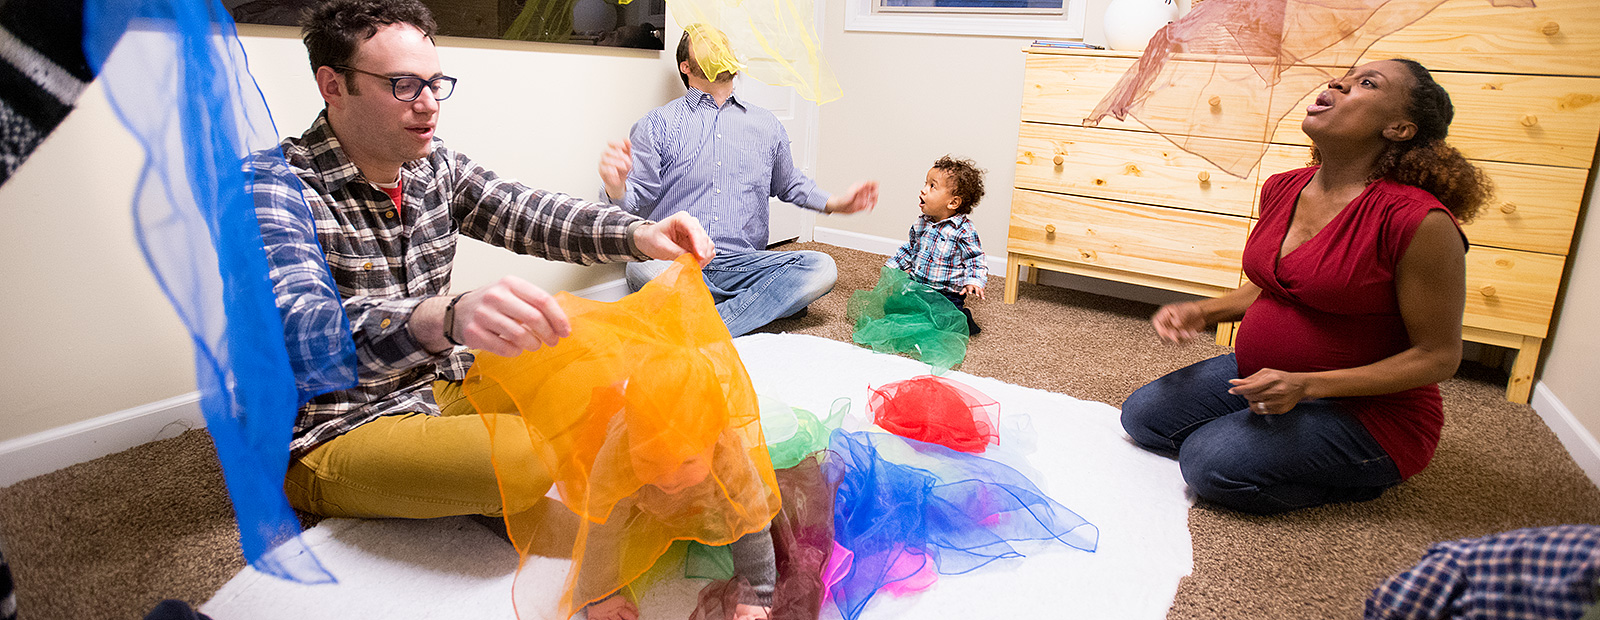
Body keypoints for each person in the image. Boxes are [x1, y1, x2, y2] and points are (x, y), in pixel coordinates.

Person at [253, 0, 712, 534]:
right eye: (403, 85)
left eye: (435, 83)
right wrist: (440, 317)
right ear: (333, 86)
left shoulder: (432, 164)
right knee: (522, 460)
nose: (428, 105)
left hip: (437, 381)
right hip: (331, 424)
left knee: (602, 358)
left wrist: (638, 233)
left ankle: (467, 467)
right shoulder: (271, 185)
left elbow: (525, 212)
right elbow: (301, 338)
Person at [1119, 58, 1491, 514]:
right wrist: (1205, 310)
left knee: (1209, 463)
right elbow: (1280, 285)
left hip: (1371, 412)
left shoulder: (1419, 221)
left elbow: (1438, 356)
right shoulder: (1283, 187)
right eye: (1343, 77)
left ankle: (1359, 477)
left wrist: (1308, 385)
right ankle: (1269, 434)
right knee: (1143, 418)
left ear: (1399, 128)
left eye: (1366, 84)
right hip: (1266, 375)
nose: (1338, 83)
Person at [597, 24, 879, 337]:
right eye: (706, 45)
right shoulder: (658, 124)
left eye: (722, 44)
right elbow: (632, 202)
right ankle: (756, 306)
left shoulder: (766, 124)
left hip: (744, 264)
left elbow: (790, 184)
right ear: (686, 67)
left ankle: (706, 323)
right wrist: (615, 185)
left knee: (821, 268)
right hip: (675, 262)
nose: (718, 48)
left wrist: (838, 203)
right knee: (641, 267)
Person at [886, 155, 988, 335]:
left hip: (946, 295)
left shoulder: (963, 231)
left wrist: (974, 281)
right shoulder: (921, 223)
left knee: (942, 324)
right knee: (894, 309)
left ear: (953, 202)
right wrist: (893, 266)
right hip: (917, 286)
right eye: (925, 184)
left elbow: (975, 259)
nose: (923, 190)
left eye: (932, 186)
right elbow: (910, 249)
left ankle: (963, 317)